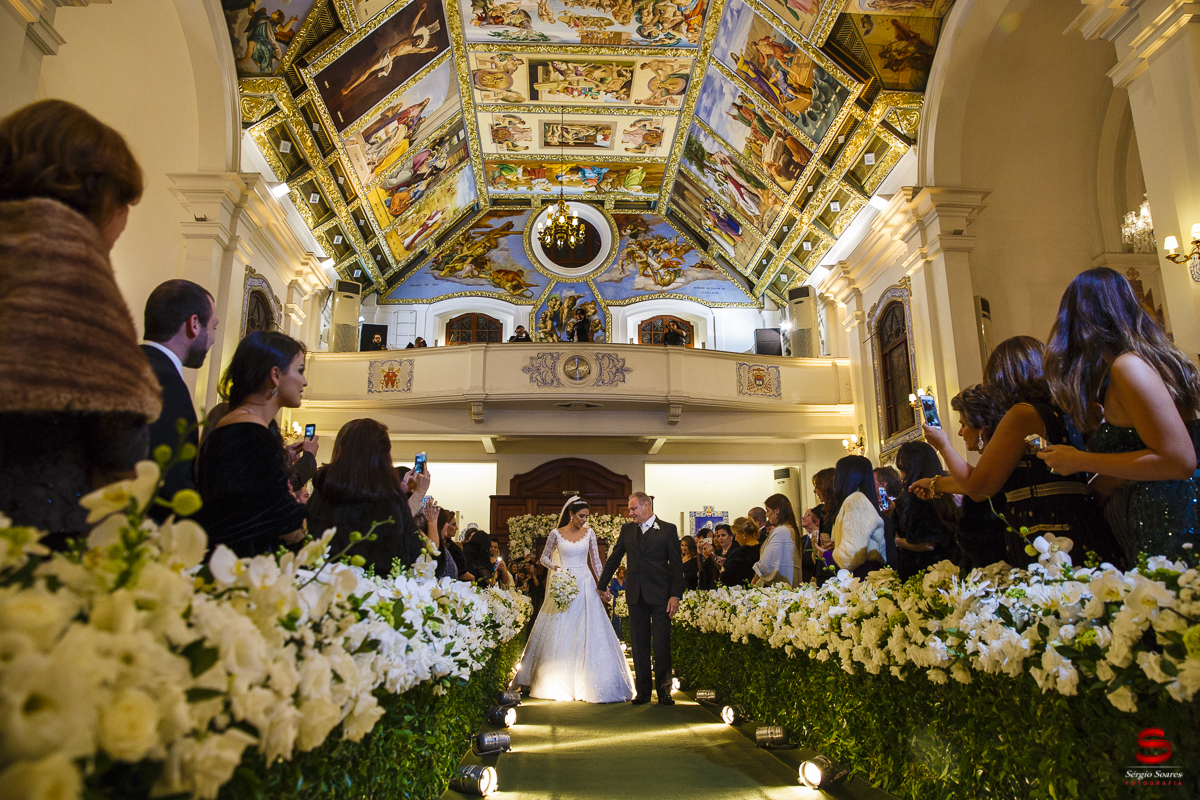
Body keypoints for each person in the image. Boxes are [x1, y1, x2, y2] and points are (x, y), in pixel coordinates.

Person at [0, 100, 160, 548]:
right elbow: (119, 443)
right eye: (125, 201)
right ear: (100, 195)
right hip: (36, 529)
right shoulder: (71, 269)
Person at [912, 336, 1119, 567]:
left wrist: (943, 444)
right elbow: (1027, 471)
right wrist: (936, 484)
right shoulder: (1058, 412)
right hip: (1077, 524)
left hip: (1046, 533)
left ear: (1003, 375)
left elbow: (979, 488)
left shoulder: (1023, 414)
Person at [1041, 267, 1200, 562]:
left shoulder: (1129, 366)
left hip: (1167, 521)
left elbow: (1179, 461)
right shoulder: (1151, 360)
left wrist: (1078, 460)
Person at [193, 331, 308, 556]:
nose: (304, 381)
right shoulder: (251, 434)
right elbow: (289, 527)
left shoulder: (239, 426)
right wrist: (296, 508)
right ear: (275, 375)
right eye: (300, 370)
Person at [515, 496, 634, 702]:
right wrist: (557, 569)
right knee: (561, 626)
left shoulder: (589, 533)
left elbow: (596, 562)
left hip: (585, 582)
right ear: (571, 514)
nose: (584, 520)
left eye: (587, 516)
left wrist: (602, 586)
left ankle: (590, 680)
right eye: (581, 516)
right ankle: (557, 679)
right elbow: (543, 558)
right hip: (563, 581)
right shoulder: (556, 534)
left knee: (587, 628)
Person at [306, 418, 434, 576]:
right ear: (385, 455)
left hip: (325, 580)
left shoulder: (324, 489)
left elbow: (310, 536)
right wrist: (417, 494)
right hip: (374, 590)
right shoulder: (386, 498)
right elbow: (410, 551)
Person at [141, 280, 220, 522]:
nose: (213, 339)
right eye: (213, 327)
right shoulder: (165, 382)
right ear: (194, 324)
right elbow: (166, 479)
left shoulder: (128, 365)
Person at [598, 492, 685, 705]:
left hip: (661, 596)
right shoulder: (627, 530)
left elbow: (676, 565)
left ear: (646, 506)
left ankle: (664, 691)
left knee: (662, 643)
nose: (630, 513)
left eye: (633, 509)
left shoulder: (668, 529)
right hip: (635, 594)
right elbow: (615, 557)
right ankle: (643, 691)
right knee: (639, 644)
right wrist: (601, 585)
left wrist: (675, 595)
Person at [949, 384, 1010, 571]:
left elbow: (975, 487)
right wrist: (934, 485)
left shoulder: (1004, 459)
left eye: (963, 425)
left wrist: (943, 445)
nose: (960, 432)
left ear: (981, 427)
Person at [893, 441, 959, 580]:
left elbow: (926, 543)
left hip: (924, 572)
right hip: (946, 566)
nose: (901, 474)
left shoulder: (919, 494)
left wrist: (897, 541)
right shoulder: (942, 490)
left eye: (902, 467)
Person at [822, 455, 887, 577]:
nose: (834, 478)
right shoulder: (859, 499)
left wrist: (825, 556)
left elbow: (850, 558)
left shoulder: (855, 501)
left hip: (861, 577)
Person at [752, 493, 803, 586]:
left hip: (779, 585)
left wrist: (754, 580)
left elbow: (767, 563)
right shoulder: (790, 529)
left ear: (777, 510)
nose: (767, 515)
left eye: (768, 511)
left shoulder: (781, 531)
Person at [720, 517, 761, 587]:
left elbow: (728, 577)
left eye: (736, 535)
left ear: (743, 533)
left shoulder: (741, 553)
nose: (735, 539)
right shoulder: (762, 548)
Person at [608, 564, 626, 638]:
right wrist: (617, 594)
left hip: (624, 599)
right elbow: (611, 589)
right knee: (616, 616)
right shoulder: (614, 581)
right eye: (620, 572)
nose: (621, 574)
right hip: (617, 600)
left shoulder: (625, 581)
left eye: (623, 573)